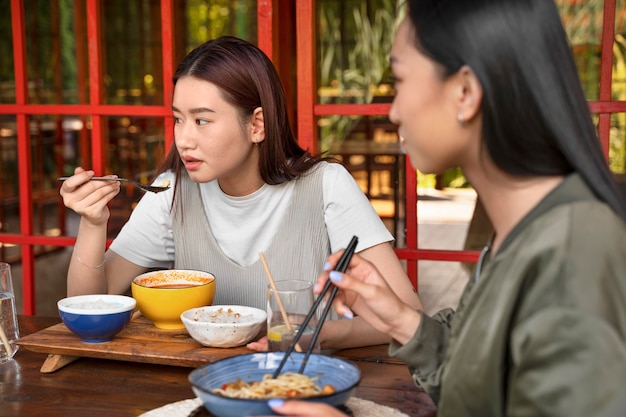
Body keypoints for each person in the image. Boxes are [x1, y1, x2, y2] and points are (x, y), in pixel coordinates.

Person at [268, 0, 626, 416]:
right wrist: (401, 320)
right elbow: (481, 389)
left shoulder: (574, 250)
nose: (393, 111)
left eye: (400, 80)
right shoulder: (523, 229)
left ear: (466, 92)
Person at [59, 36, 420, 351]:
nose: (183, 138)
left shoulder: (327, 186)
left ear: (257, 124)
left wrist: (320, 335)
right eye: (178, 119)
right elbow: (88, 306)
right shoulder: (171, 192)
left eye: (202, 120)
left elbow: (409, 316)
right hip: (196, 383)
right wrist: (93, 223)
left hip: (297, 389)